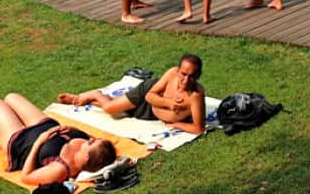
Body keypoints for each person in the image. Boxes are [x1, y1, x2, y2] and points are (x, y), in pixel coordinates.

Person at [0, 93, 117, 185]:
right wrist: (72, 129)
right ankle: (2, 121)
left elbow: (27, 177)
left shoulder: (60, 169)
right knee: (11, 98)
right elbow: (98, 143)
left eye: (92, 143)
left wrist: (38, 143)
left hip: (23, 142)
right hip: (45, 126)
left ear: (86, 157)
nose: (91, 139)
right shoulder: (85, 147)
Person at [55, 54, 207, 135]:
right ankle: (96, 94)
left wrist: (175, 124)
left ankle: (85, 100)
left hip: (152, 113)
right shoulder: (172, 73)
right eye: (183, 74)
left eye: (191, 76)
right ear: (178, 70)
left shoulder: (195, 96)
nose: (186, 80)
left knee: (120, 108)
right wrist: (169, 104)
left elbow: (198, 128)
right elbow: (149, 95)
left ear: (198, 76)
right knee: (111, 109)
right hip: (147, 92)